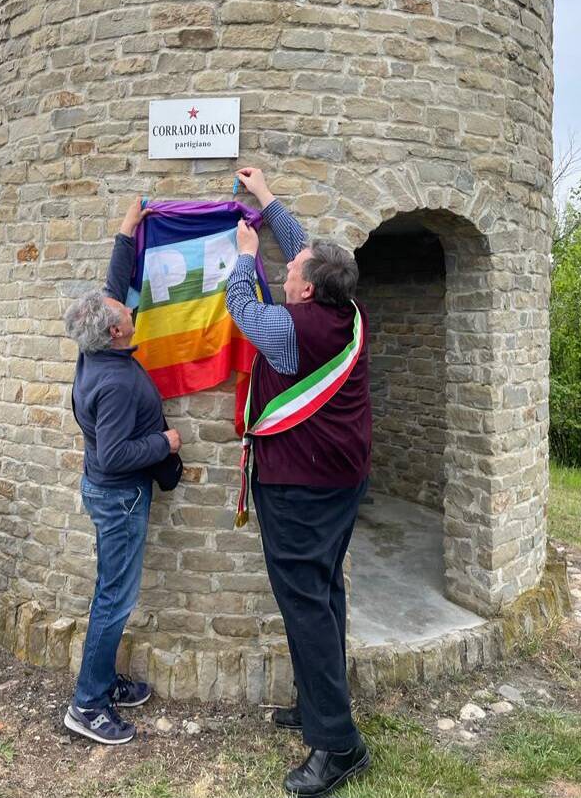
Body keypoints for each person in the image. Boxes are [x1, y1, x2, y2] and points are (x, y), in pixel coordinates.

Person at [226, 167, 372, 796]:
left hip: (300, 488)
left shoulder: (287, 330)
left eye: (293, 271)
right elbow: (308, 245)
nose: (286, 271)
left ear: (309, 291)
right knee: (324, 593)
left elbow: (241, 307)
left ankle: (337, 745)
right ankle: (321, 707)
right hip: (342, 479)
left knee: (306, 604)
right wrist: (267, 200)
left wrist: (245, 257)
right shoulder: (345, 306)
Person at [63, 198, 182, 746]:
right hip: (120, 498)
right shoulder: (111, 381)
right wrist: (164, 441)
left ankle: (103, 680)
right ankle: (87, 704)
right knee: (114, 598)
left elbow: (111, 291)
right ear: (114, 332)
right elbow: (113, 456)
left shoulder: (96, 352)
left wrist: (124, 232)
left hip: (113, 495)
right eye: (124, 315)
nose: (130, 311)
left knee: (112, 593)